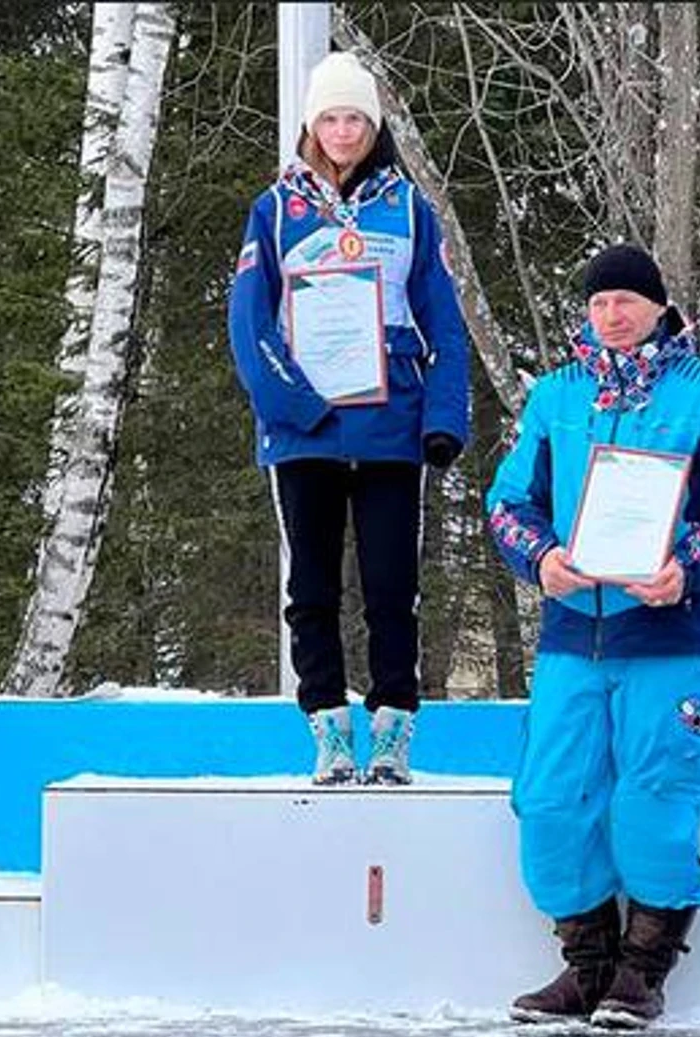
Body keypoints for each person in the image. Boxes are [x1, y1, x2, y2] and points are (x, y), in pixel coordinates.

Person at [487, 244, 700, 1029]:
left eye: (625, 301)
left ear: (659, 306)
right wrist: (539, 557)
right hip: (570, 637)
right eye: (597, 303)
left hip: (666, 637)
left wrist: (686, 566)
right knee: (549, 799)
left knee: (655, 796)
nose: (611, 316)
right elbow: (508, 502)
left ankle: (642, 974)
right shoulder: (556, 397)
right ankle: (585, 968)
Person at [226, 52, 470, 787]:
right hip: (307, 427)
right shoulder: (274, 210)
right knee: (312, 589)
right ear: (311, 124)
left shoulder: (411, 209)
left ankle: (393, 728)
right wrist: (292, 404)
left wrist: (443, 418)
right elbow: (248, 322)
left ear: (374, 125)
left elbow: (444, 322)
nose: (342, 131)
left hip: (390, 422)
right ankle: (329, 727)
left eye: (355, 118)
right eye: (329, 117)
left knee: (394, 585)